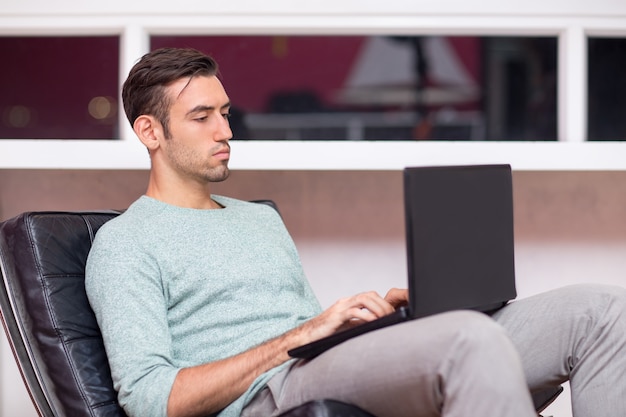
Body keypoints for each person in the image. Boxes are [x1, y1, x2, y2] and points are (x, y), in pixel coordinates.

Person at [85, 47, 626, 417]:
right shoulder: (125, 243)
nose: (226, 130)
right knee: (470, 338)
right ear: (149, 131)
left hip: (314, 364)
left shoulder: (257, 218)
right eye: (202, 117)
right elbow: (152, 399)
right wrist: (299, 337)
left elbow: (306, 331)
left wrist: (372, 323)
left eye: (226, 113)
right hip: (267, 396)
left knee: (601, 311)